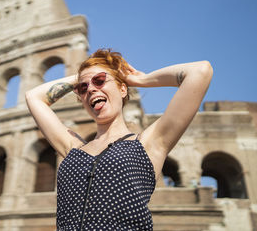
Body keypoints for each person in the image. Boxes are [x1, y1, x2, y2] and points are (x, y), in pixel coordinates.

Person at [25, 49, 213, 230]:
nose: (91, 89)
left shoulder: (149, 144)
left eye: (99, 81)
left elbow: (200, 71)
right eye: (84, 88)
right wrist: (82, 77)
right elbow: (34, 97)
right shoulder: (73, 148)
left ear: (123, 89)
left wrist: (141, 79)